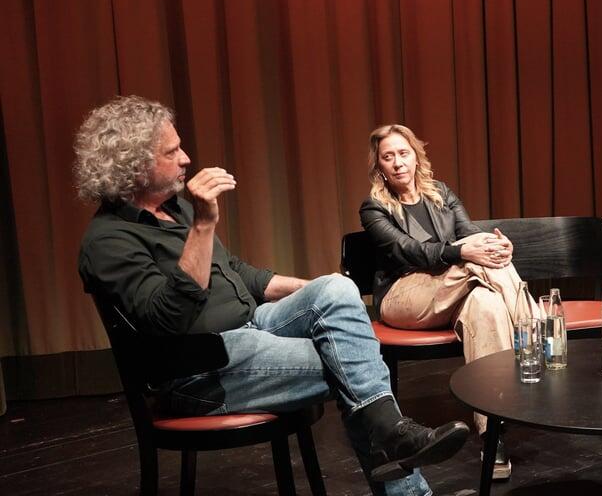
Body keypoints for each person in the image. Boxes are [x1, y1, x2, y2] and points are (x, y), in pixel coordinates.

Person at [75, 96, 469, 496]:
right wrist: (204, 226)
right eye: (172, 151)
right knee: (353, 364)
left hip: (252, 325)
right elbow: (167, 319)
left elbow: (237, 273)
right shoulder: (108, 241)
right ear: (136, 165)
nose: (186, 158)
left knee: (337, 290)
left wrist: (316, 292)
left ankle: (390, 432)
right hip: (201, 369)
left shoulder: (176, 209)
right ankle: (400, 456)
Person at [359, 124, 535, 480]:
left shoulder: (441, 193)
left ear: (416, 156)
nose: (397, 163)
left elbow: (470, 235)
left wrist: (498, 246)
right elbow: (409, 251)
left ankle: (493, 435)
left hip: (456, 289)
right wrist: (463, 252)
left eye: (403, 153)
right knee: (474, 262)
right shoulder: (374, 207)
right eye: (388, 157)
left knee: (486, 304)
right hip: (404, 297)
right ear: (379, 165)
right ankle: (533, 337)